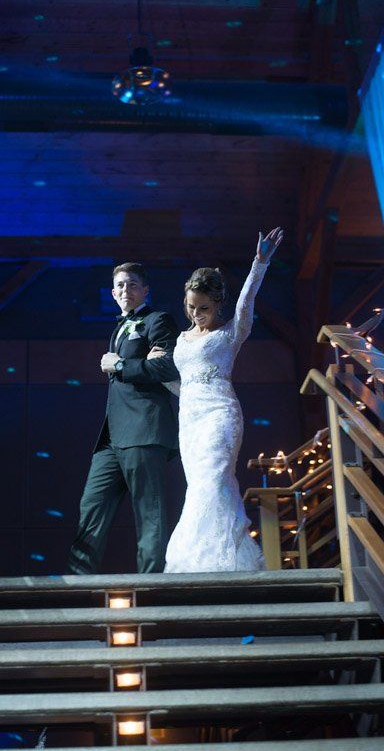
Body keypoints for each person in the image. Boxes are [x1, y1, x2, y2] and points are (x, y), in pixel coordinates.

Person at [148, 228, 283, 573]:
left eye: (204, 307)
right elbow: (186, 387)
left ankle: (223, 563)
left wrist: (260, 263)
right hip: (189, 420)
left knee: (214, 478)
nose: (196, 313)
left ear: (217, 304)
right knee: (203, 486)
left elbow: (247, 300)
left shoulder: (231, 332)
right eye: (191, 307)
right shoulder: (180, 340)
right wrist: (159, 372)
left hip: (220, 414)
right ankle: (204, 561)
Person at [67, 262, 180, 575]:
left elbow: (169, 367)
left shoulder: (157, 320)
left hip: (145, 429)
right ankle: (77, 585)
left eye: (131, 284)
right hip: (112, 436)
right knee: (91, 507)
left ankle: (150, 586)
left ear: (145, 289)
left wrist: (120, 367)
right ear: (112, 292)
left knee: (149, 514)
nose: (124, 290)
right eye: (119, 285)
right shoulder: (119, 326)